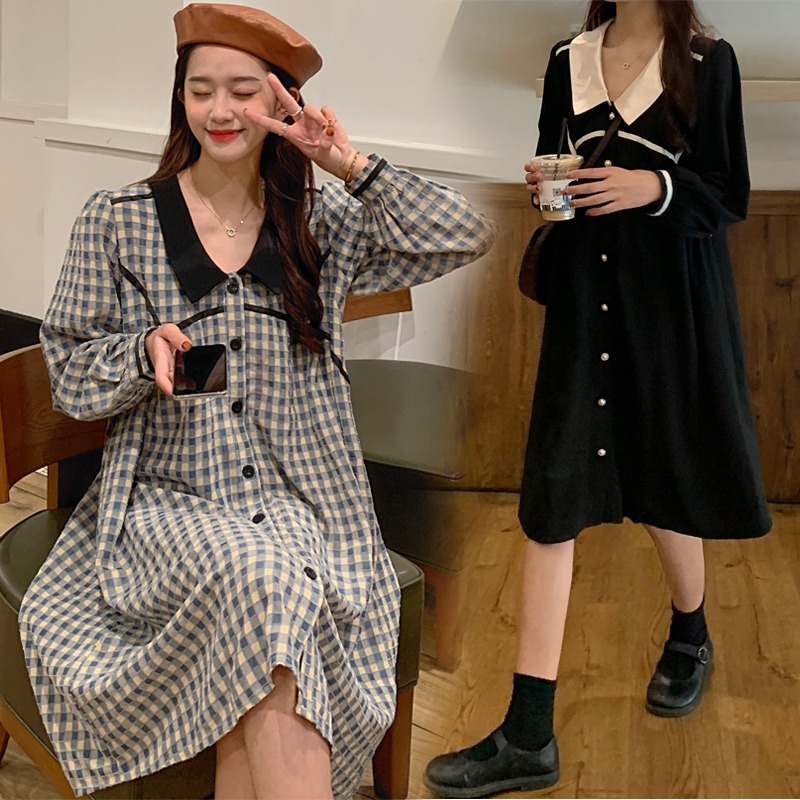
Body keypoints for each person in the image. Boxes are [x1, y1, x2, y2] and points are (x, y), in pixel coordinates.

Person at [18, 5, 495, 799]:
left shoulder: (322, 226)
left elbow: (466, 232)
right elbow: (68, 370)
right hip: (170, 500)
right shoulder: (119, 222)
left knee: (270, 600)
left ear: (281, 104)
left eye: (244, 91)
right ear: (179, 97)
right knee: (267, 581)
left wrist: (344, 162)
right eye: (200, 89)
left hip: (306, 500)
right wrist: (140, 353)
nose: (220, 110)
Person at [424, 0, 770, 796]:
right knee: (554, 496)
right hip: (585, 303)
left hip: (670, 307)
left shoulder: (707, 61)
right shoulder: (567, 60)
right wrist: (547, 183)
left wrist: (653, 186)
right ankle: (528, 732)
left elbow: (729, 194)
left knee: (663, 479)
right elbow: (555, 160)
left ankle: (691, 632)